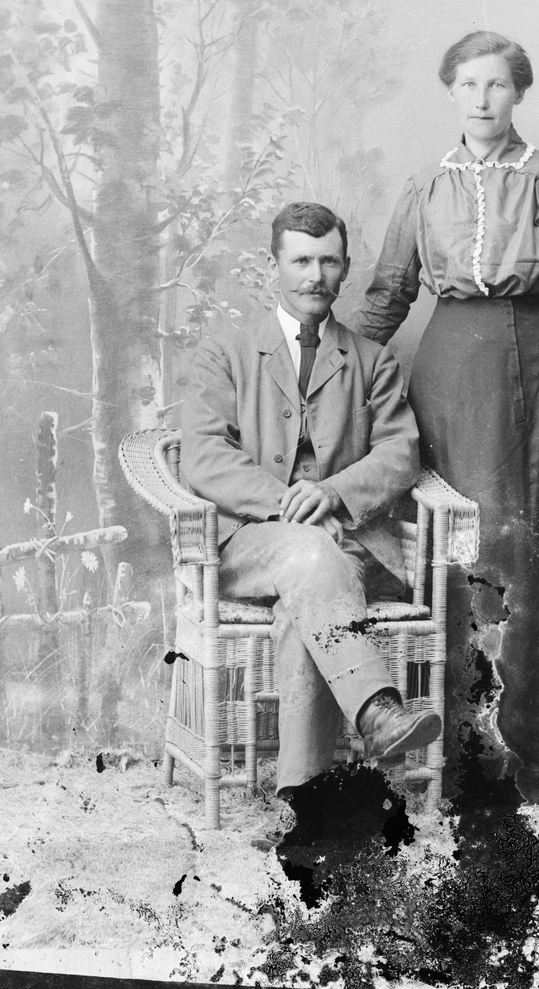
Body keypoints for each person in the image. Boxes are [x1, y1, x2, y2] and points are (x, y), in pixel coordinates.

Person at [351, 31, 539, 804]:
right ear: (450, 92)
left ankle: (523, 747)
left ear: (519, 94)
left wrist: (527, 320)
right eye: (468, 84)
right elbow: (388, 295)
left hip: (532, 371)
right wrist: (332, 370)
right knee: (453, 544)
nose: (482, 99)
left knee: (525, 543)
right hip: (446, 372)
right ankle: (450, 742)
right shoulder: (423, 187)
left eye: (497, 85)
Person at [180, 201, 441, 814]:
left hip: (350, 546)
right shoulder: (225, 352)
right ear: (273, 266)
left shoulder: (372, 360)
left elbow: (400, 454)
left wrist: (332, 492)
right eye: (301, 261)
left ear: (345, 269)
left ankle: (306, 804)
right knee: (309, 553)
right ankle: (377, 709)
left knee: (308, 599)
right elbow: (204, 455)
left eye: (328, 262)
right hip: (250, 544)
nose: (315, 276)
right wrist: (285, 502)